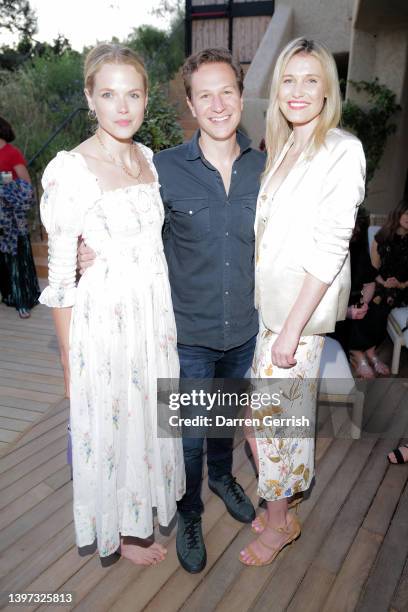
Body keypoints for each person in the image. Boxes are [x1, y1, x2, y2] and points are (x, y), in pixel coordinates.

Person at [79, 48, 266, 574]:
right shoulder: (161, 170)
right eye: (204, 93)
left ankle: (224, 475)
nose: (217, 102)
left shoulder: (265, 167)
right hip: (185, 334)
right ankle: (188, 510)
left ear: (240, 94)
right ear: (190, 103)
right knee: (184, 437)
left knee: (224, 419)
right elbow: (122, 223)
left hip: (245, 330)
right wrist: (81, 250)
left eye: (226, 89)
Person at [39, 43, 185, 566]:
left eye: (133, 94)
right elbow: (59, 280)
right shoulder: (69, 170)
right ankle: (120, 533)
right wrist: (66, 360)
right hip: (104, 323)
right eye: (108, 94)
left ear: (146, 100)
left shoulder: (146, 158)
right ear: (89, 98)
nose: (122, 107)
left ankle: (140, 516)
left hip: (152, 316)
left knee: (145, 417)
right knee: (113, 421)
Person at [241, 38, 366, 566]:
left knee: (274, 427)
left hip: (296, 321)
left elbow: (332, 246)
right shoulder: (285, 145)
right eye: (288, 80)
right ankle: (281, 503)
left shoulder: (341, 149)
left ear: (327, 91)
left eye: (310, 80)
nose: (297, 90)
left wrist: (292, 330)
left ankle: (278, 523)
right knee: (260, 422)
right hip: (269, 315)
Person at [330, 206, 378, 378]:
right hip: (328, 311)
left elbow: (370, 281)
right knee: (341, 325)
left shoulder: (358, 247)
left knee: (373, 311)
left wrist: (364, 302)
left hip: (351, 302)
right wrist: (346, 312)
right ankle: (353, 355)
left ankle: (362, 353)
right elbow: (321, 304)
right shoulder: (325, 252)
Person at [0, 116, 40, 318]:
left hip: (13, 220)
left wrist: (4, 187)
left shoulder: (12, 153)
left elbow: (25, 184)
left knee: (17, 258)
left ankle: (23, 300)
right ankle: (9, 296)